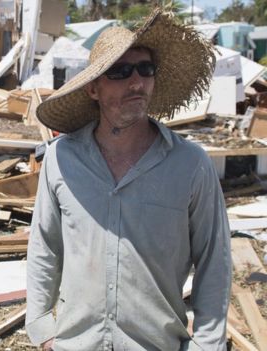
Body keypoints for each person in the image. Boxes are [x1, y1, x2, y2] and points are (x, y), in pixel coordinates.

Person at [26, 9, 231, 351]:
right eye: (120, 71)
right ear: (93, 88)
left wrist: (208, 345)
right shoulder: (61, 160)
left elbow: (215, 260)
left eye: (145, 69)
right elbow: (44, 246)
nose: (136, 82)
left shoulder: (191, 165)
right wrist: (41, 327)